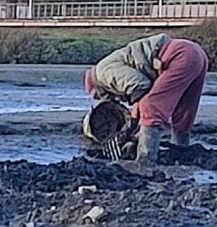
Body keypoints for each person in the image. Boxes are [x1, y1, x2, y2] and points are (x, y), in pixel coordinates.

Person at [84, 33, 208, 163]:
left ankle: (145, 160)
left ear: (97, 88)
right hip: (195, 54)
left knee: (151, 107)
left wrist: (137, 118)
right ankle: (181, 152)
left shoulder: (103, 73)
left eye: (99, 96)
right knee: (183, 111)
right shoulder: (109, 64)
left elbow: (140, 87)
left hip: (178, 56)